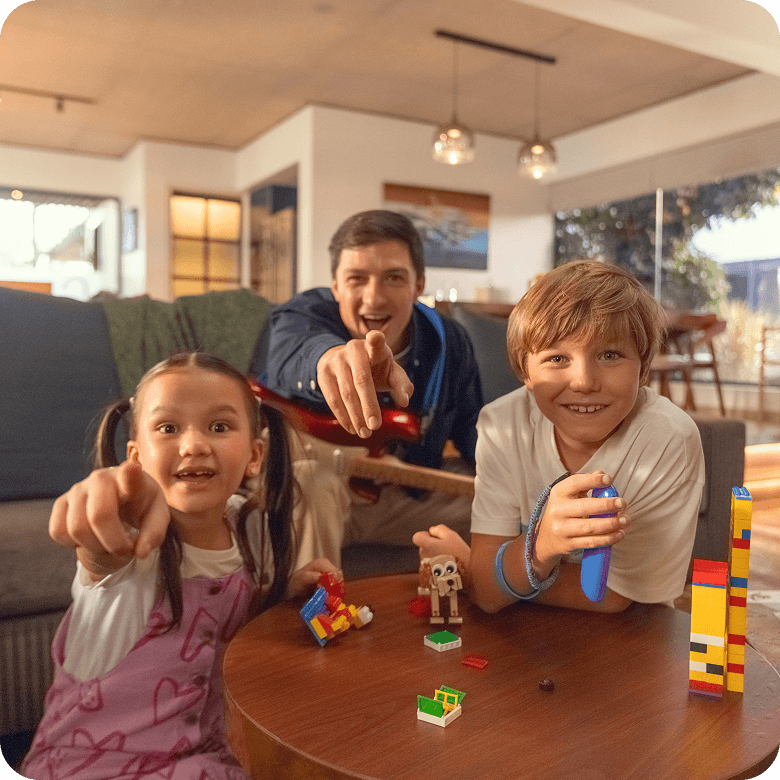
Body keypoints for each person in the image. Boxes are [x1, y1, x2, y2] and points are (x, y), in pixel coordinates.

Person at [22, 352, 338, 780]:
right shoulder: (131, 552)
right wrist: (101, 526)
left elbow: (234, 614)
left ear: (254, 455)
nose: (193, 445)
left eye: (220, 427)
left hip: (212, 755)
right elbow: (101, 563)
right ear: (134, 459)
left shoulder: (250, 525)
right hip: (94, 767)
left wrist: (288, 589)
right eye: (168, 428)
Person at [415, 260, 705, 612]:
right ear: (525, 372)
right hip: (523, 645)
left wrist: (487, 569)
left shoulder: (666, 439)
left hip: (631, 647)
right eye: (556, 358)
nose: (583, 382)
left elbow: (616, 599)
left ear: (642, 368)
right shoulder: (501, 424)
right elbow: (488, 597)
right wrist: (529, 555)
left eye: (609, 354)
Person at [263, 209, 483, 567]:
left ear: (418, 285)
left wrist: (514, 474)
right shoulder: (302, 315)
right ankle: (313, 612)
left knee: (514, 511)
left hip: (402, 493)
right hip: (314, 497)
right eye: (357, 278)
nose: (374, 298)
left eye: (394, 278)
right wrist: (330, 360)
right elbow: (295, 353)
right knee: (309, 482)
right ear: (335, 285)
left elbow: (472, 427)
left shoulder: (450, 340)